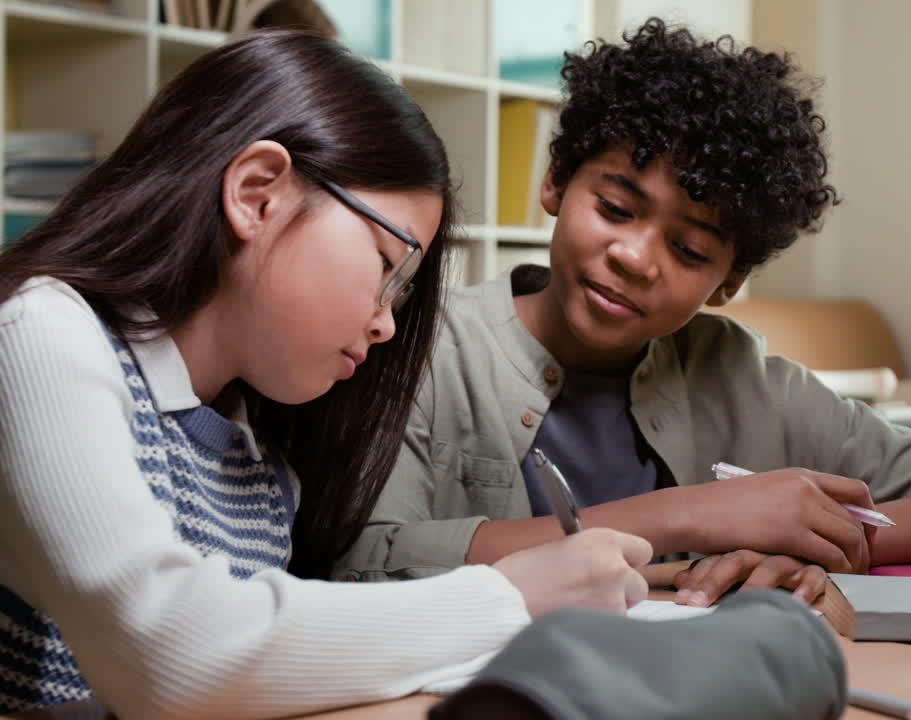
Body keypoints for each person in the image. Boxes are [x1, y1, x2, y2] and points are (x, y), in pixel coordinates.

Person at [0, 30, 655, 718]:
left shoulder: (262, 467)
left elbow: (262, 667)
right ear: (258, 194)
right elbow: (167, 656)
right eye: (386, 266)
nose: (386, 323)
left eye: (403, 291)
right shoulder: (42, 333)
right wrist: (510, 597)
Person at [337, 19, 911, 607]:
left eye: (688, 249)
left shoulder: (739, 373)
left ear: (728, 281)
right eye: (616, 208)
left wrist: (812, 540)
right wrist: (691, 516)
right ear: (555, 180)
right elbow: (359, 561)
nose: (637, 258)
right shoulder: (420, 347)